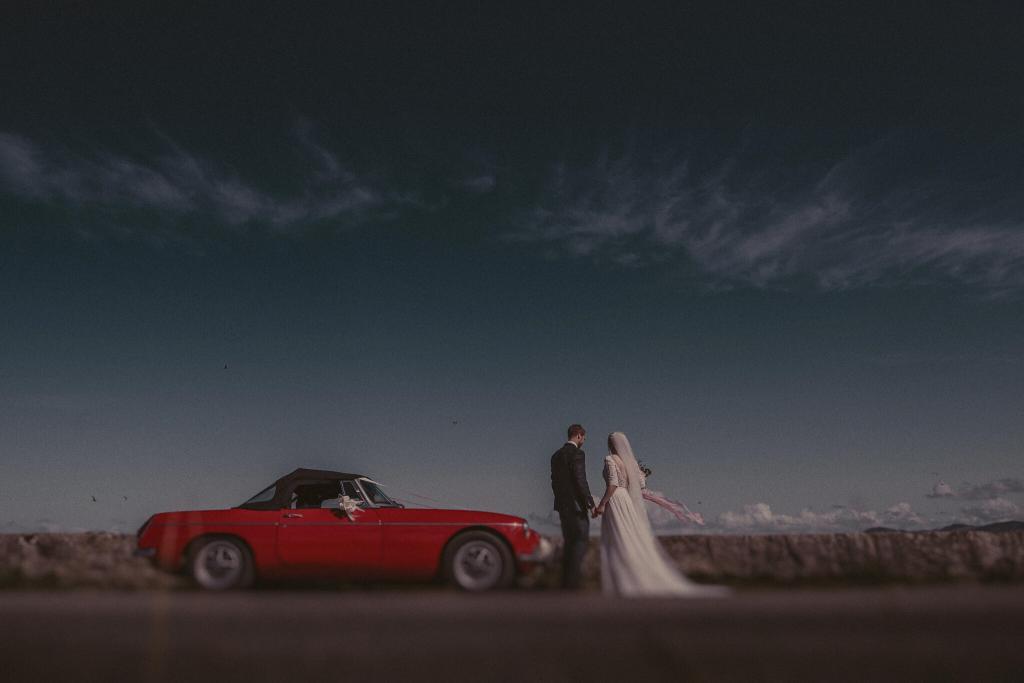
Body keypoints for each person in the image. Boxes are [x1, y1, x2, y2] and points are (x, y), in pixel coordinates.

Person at [594, 431, 727, 597]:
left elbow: (612, 484)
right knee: (629, 536)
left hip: (615, 498)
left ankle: (623, 581)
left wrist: (601, 504)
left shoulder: (610, 459)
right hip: (626, 499)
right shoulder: (631, 463)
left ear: (610, 444)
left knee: (617, 537)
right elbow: (638, 484)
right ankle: (633, 577)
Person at [550, 423, 595, 589]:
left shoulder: (555, 456)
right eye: (584, 437)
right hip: (576, 506)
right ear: (578, 436)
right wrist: (589, 503)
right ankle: (573, 583)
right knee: (580, 541)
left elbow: (554, 482)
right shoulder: (578, 454)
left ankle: (565, 582)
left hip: (562, 506)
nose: (584, 440)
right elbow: (580, 480)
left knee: (569, 542)